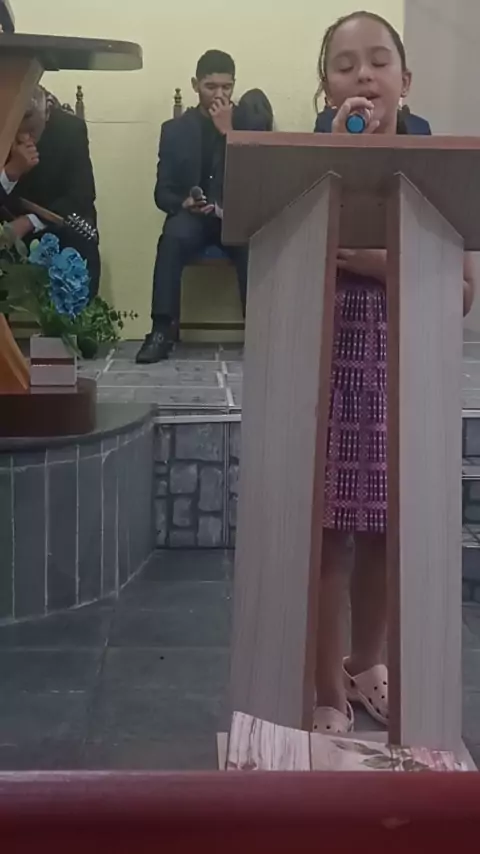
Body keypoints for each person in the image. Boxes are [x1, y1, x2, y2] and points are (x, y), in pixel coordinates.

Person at [312, 10, 476, 735]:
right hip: (326, 368)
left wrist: (386, 262)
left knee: (384, 529)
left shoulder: (437, 166)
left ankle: (365, 662)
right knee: (328, 533)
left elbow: (463, 290)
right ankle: (324, 688)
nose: (364, 76)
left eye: (379, 61)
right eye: (345, 64)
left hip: (402, 372)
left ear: (405, 81)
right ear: (325, 86)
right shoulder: (306, 162)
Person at [136, 50, 267, 364]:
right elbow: (162, 192)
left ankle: (261, 333)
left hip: (233, 216)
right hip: (193, 217)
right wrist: (184, 202)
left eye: (226, 87)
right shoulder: (175, 130)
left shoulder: (249, 125)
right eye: (211, 86)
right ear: (195, 85)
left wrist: (229, 133)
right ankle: (161, 331)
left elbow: (259, 179)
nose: (219, 95)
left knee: (255, 243)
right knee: (172, 238)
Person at [0, 86, 100, 298]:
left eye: (31, 130)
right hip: (7, 235)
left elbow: (82, 194)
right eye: (18, 130)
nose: (24, 138)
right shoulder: (4, 124)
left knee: (80, 243)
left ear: (46, 111)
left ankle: (75, 314)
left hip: (60, 229)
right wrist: (11, 173)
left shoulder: (70, 130)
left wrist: (29, 221)